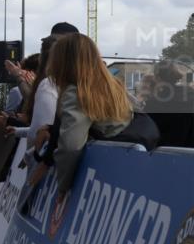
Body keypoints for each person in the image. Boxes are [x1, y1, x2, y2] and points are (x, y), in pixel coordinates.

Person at [45, 34, 150, 199]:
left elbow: (71, 146)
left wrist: (62, 186)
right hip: (131, 166)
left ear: (62, 62)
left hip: (106, 173)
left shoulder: (76, 93)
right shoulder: (113, 85)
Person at [143, 62, 194, 147]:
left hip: (164, 152)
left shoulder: (153, 104)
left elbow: (147, 131)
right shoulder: (190, 95)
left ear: (158, 78)